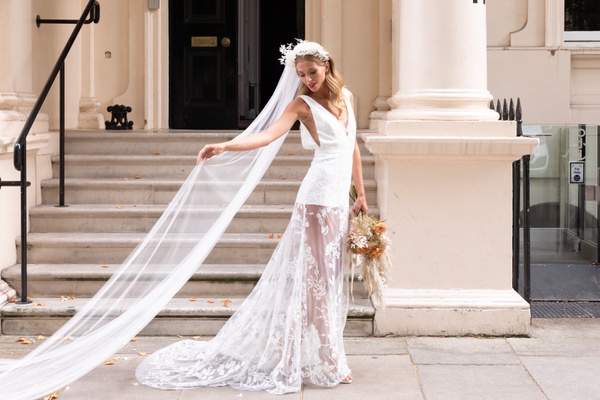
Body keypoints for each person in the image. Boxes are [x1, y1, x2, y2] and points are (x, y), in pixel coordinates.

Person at [135, 40, 368, 394]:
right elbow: (268, 135)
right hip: (316, 199)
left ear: (327, 66)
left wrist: (361, 193)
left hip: (338, 199)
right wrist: (226, 145)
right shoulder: (300, 104)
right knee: (319, 281)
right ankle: (329, 357)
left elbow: (352, 147)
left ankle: (292, 352)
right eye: (301, 74)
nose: (308, 79)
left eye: (313, 72)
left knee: (321, 280)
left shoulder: (347, 98)